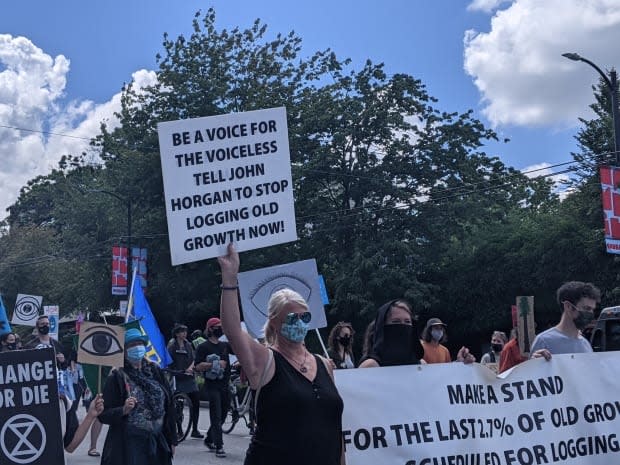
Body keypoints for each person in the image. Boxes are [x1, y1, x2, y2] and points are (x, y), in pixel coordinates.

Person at [218, 243, 345, 465]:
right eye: (291, 319)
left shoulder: (324, 364)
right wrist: (230, 279)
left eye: (304, 318)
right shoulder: (265, 360)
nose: (299, 323)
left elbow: (335, 428)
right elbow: (233, 330)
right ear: (274, 322)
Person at [99, 328, 178, 465]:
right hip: (129, 447)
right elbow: (103, 414)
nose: (136, 348)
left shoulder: (155, 371)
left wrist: (172, 439)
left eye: (139, 343)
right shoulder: (117, 376)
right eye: (131, 345)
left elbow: (169, 406)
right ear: (124, 351)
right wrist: (123, 410)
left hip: (157, 442)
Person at [531, 281, 601, 360]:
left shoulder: (585, 344)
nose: (591, 313)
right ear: (568, 306)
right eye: (587, 308)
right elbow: (533, 371)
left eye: (592, 309)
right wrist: (535, 362)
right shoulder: (544, 341)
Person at [194, 317, 232, 457]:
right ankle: (219, 446)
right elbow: (197, 366)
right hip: (212, 385)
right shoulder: (203, 347)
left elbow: (241, 350)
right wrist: (213, 365)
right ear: (210, 329)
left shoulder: (225, 345)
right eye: (217, 326)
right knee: (215, 415)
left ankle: (210, 438)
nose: (220, 329)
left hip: (225, 384)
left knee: (223, 415)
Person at [359, 299, 423, 367]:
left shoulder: (421, 365)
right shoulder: (371, 366)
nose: (403, 326)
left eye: (407, 322)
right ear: (383, 327)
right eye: (396, 321)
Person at [167, 323, 203, 439]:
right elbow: (169, 362)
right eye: (182, 332)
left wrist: (191, 368)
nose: (184, 334)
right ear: (177, 334)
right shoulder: (172, 346)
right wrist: (178, 370)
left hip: (189, 376)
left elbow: (193, 358)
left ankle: (195, 429)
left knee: (196, 401)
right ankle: (179, 430)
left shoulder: (188, 345)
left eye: (185, 331)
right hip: (178, 377)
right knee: (178, 405)